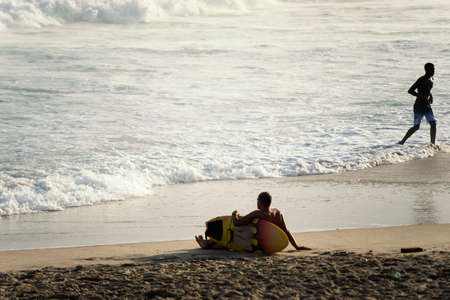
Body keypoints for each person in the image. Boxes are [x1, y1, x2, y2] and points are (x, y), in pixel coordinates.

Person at [195, 192, 311, 251]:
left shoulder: (258, 213)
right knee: (231, 241)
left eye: (257, 200)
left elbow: (237, 223)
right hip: (260, 245)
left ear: (260, 202)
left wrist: (234, 214)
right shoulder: (278, 214)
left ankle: (206, 243)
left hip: (249, 239)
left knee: (231, 236)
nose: (256, 202)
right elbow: (286, 231)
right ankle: (208, 243)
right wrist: (296, 246)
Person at [399, 63, 437, 145]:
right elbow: (410, 90)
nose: (433, 71)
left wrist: (430, 96)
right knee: (416, 127)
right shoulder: (421, 79)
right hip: (419, 105)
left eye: (434, 69)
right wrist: (421, 96)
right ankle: (402, 141)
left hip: (427, 106)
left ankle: (432, 144)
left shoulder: (430, 82)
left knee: (433, 124)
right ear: (427, 70)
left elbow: (427, 91)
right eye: (432, 69)